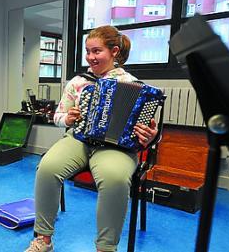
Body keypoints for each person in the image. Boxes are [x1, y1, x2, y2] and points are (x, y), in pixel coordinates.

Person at [24, 25, 158, 252]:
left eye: (97, 51)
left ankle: (105, 248)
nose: (90, 57)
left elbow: (146, 132)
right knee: (47, 168)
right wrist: (67, 119)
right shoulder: (77, 82)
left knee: (115, 178)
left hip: (116, 147)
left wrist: (150, 136)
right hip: (79, 140)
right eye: (88, 51)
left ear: (114, 52)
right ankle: (43, 240)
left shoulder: (135, 86)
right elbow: (57, 116)